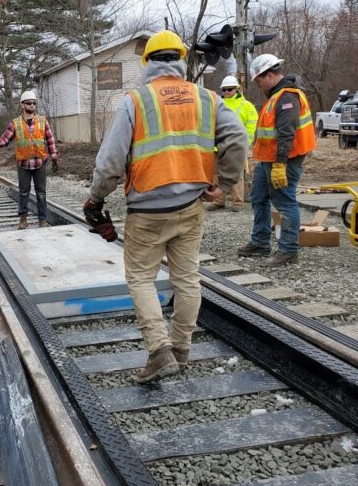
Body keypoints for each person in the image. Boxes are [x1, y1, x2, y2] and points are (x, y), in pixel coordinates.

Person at [84, 30, 247, 383]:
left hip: (147, 208)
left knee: (141, 277)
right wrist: (225, 184)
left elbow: (111, 161)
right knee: (187, 278)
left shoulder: (136, 101)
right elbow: (237, 138)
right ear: (181, 60)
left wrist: (96, 198)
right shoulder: (207, 98)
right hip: (191, 205)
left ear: (147, 64)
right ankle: (182, 349)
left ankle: (160, 351)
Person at [237, 54, 316, 267]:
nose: (258, 84)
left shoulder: (287, 97)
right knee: (259, 197)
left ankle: (288, 250)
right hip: (268, 160)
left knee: (284, 202)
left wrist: (280, 164)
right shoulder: (276, 95)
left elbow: (286, 133)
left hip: (285, 160)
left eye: (259, 80)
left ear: (270, 75)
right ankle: (260, 242)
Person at [0, 90, 60, 229]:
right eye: (29, 103)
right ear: (22, 105)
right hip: (23, 164)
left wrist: (54, 155)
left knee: (41, 192)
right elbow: (5, 139)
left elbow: (50, 140)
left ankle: (42, 219)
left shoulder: (42, 121)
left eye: (34, 103)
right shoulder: (15, 123)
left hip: (40, 162)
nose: (32, 105)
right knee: (23, 192)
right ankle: (23, 219)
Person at [206, 75, 258, 211]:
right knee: (215, 174)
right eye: (224, 90)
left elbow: (251, 128)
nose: (226, 92)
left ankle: (237, 202)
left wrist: (245, 144)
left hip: (235, 147)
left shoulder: (247, 106)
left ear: (236, 89)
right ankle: (218, 201)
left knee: (237, 175)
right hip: (216, 146)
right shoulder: (216, 104)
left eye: (229, 89)